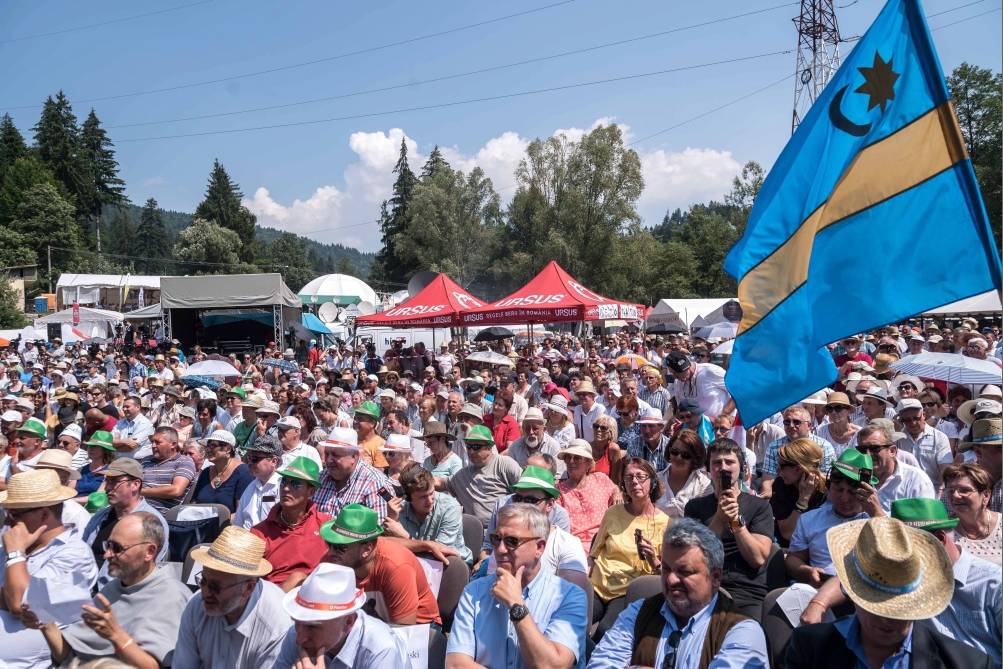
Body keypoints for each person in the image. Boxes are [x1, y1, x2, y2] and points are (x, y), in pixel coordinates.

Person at [786, 516, 993, 669]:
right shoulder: (810, 647)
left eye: (898, 610)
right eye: (876, 606)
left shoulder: (968, 663)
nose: (886, 620)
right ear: (852, 594)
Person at [589, 518, 769, 669]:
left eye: (685, 572)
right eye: (666, 569)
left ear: (715, 577)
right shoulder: (638, 612)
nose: (671, 580)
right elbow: (600, 664)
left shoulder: (743, 631)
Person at [30, 512, 191, 668]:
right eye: (108, 545)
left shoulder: (171, 596)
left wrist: (115, 635)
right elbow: (68, 657)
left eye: (117, 548)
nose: (107, 554)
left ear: (149, 552)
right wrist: (45, 622)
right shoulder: (113, 588)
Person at [446, 503, 587, 669]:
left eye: (512, 541)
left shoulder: (569, 596)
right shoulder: (474, 592)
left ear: (539, 548)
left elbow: (553, 665)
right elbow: (456, 664)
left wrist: (516, 605)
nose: (500, 549)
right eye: (496, 539)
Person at [0, 469, 99, 669]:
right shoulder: (11, 546)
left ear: (44, 512)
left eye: (15, 514)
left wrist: (16, 554)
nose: (8, 521)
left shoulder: (76, 554)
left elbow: (20, 602)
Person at [175, 525, 292, 668]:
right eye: (203, 580)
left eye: (215, 587)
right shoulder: (196, 604)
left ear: (248, 588)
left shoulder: (276, 626)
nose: (205, 592)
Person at [684, 438, 774, 618]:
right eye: (717, 463)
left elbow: (757, 558)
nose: (723, 467)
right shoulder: (694, 507)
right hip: (703, 587)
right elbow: (693, 556)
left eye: (730, 462)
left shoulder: (760, 507)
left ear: (742, 468)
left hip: (745, 592)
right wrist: (719, 518)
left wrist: (736, 523)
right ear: (708, 469)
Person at [321, 504, 442, 626]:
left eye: (340, 548)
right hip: (369, 625)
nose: (330, 552)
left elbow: (405, 633)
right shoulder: (333, 559)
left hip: (419, 627)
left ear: (367, 549)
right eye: (329, 543)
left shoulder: (396, 567)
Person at [590, 458, 671, 638]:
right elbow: (594, 554)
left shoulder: (665, 523)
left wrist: (653, 560)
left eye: (640, 477)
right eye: (628, 478)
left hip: (626, 591)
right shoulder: (613, 513)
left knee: (604, 631)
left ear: (653, 482)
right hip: (598, 586)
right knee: (573, 621)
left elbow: (667, 574)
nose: (634, 482)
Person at [274, 562, 409, 669]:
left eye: (313, 627)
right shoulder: (296, 634)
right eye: (297, 622)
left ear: (348, 622)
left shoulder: (380, 650)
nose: (300, 639)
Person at [251, 456, 331, 592]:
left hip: (318, 597)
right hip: (274, 600)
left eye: (295, 484)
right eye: (283, 482)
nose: (286, 488)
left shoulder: (326, 525)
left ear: (311, 492)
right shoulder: (260, 533)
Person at [82, 458, 170, 571]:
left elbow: (145, 572)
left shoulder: (151, 522)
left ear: (135, 484)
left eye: (114, 481)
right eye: (107, 481)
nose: (107, 488)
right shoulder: (100, 516)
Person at [383, 462, 472, 564]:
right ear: (408, 498)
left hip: (451, 564)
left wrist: (406, 537)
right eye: (423, 497)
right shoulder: (401, 509)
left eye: (431, 493)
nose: (430, 500)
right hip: (415, 562)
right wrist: (393, 518)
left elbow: (439, 552)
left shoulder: (450, 507)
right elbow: (385, 546)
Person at [436, 424, 523, 527]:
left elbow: (526, 490)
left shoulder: (504, 464)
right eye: (469, 447)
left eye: (476, 447)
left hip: (502, 530)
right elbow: (440, 483)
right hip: (474, 532)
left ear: (489, 447)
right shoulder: (463, 474)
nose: (471, 451)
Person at [312, 427, 391, 520]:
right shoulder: (321, 477)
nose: (328, 460)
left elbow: (381, 527)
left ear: (354, 456)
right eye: (327, 454)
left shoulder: (376, 483)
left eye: (335, 455)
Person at [556, 439, 619, 553]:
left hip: (603, 540)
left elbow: (615, 490)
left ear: (588, 463)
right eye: (568, 457)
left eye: (577, 458)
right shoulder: (559, 490)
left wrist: (617, 494)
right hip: (573, 545)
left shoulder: (600, 479)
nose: (571, 461)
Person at [760, 405, 836, 499]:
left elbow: (827, 478)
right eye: (787, 422)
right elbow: (768, 478)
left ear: (809, 425)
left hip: (815, 494)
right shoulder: (774, 447)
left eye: (796, 422)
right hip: (784, 495)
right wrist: (764, 503)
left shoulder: (824, 446)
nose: (791, 426)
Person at [857, 422, 936, 511]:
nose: (868, 454)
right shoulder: (854, 477)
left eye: (874, 448)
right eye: (862, 449)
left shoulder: (915, 480)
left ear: (892, 451)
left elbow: (924, 521)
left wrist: (877, 513)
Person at [770, 438, 828, 546]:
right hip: (791, 546)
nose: (777, 471)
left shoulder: (828, 490)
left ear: (798, 469)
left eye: (781, 466)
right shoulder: (781, 485)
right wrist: (803, 499)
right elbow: (787, 534)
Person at [943, 463, 1001, 563]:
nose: (955, 495)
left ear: (986, 495)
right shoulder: (944, 533)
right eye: (951, 491)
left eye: (965, 490)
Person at [895, 397, 953, 491]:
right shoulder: (898, 439)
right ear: (901, 420)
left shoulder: (939, 437)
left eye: (916, 418)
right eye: (907, 420)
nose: (913, 423)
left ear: (924, 415)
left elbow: (945, 470)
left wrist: (939, 492)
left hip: (932, 490)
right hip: (904, 491)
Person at [191, 429, 254, 512]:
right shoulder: (206, 472)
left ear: (227, 449)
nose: (208, 450)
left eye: (213, 446)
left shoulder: (244, 473)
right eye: (207, 446)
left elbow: (241, 513)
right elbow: (194, 503)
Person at [655, 428, 712, 519]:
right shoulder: (655, 480)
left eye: (686, 455)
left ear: (695, 457)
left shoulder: (704, 485)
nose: (679, 457)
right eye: (675, 452)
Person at [139, 425, 197, 513]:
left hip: (157, 515)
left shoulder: (184, 462)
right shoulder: (146, 461)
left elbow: (176, 490)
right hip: (134, 507)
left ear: (173, 444)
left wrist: (140, 492)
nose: (153, 446)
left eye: (158, 442)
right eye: (152, 442)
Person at [234, 434, 283, 530]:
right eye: (249, 458)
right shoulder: (251, 487)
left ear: (274, 461)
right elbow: (238, 523)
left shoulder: (283, 487)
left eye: (255, 459)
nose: (250, 462)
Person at [667, 350, 732, 418]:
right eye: (672, 373)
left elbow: (738, 391)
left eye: (677, 372)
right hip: (693, 426)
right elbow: (681, 408)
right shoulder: (678, 382)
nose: (675, 376)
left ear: (688, 366)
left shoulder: (710, 371)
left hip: (719, 425)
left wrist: (724, 415)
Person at [506, 408, 564, 474]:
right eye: (527, 428)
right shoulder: (515, 447)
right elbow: (509, 473)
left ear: (544, 429)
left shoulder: (553, 446)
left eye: (535, 428)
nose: (531, 432)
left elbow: (558, 477)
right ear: (523, 429)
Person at [75, 430, 117, 502]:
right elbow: (70, 491)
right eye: (89, 446)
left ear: (105, 450)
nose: (90, 449)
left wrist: (71, 501)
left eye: (94, 446)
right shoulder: (80, 470)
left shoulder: (110, 472)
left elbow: (98, 498)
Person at [353, 400, 388, 468]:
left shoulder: (380, 445)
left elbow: (379, 474)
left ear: (372, 423)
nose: (355, 421)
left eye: (360, 419)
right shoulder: (350, 440)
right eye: (355, 418)